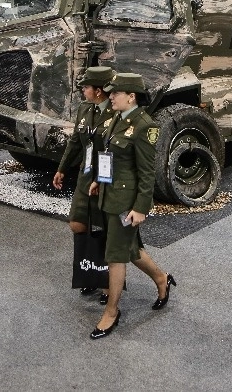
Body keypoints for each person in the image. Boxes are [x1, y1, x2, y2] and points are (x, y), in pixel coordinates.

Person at [86, 73, 174, 340]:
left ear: (131, 96)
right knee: (131, 250)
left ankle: (112, 312)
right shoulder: (118, 118)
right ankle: (161, 279)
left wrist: (141, 208)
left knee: (115, 256)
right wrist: (100, 180)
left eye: (115, 93)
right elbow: (110, 155)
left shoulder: (145, 126)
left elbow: (147, 173)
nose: (110, 96)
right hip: (110, 195)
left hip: (126, 203)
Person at [51, 66, 117, 304]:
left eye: (86, 87)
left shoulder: (116, 112)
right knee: (78, 224)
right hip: (85, 175)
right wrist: (61, 168)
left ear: (99, 91)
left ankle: (108, 280)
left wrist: (102, 180)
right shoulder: (84, 109)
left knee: (106, 230)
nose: (82, 90)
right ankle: (90, 271)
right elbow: (76, 144)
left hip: (108, 178)